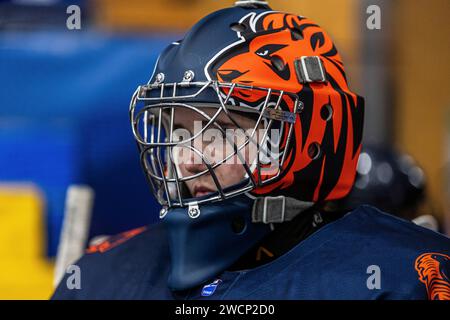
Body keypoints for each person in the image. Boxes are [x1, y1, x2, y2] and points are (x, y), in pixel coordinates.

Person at [52, 1, 450, 300]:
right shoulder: (101, 275)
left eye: (221, 130)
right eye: (176, 130)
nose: (185, 159)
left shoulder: (406, 277)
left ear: (310, 136)